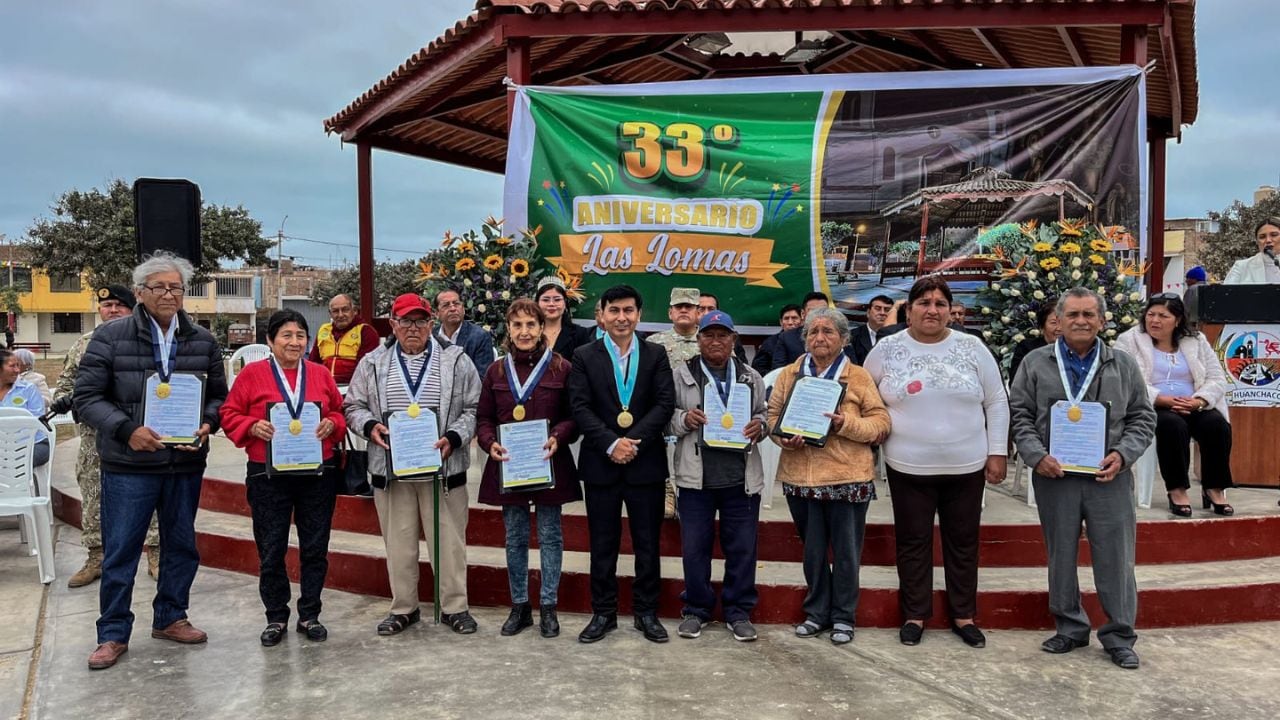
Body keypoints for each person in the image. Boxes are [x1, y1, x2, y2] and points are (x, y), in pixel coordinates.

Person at [75, 251, 228, 671]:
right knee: (121, 550)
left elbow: (219, 395)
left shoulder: (202, 340)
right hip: (129, 464)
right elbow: (86, 399)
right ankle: (112, 633)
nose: (168, 294)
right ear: (140, 292)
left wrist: (208, 423)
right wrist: (128, 431)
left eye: (176, 287)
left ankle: (171, 616)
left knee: (181, 546)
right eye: (159, 287)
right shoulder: (109, 337)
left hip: (183, 463)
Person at [1009, 288, 1155, 670]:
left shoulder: (1122, 364)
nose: (1081, 321)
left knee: (1116, 557)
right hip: (1055, 475)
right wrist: (1035, 456)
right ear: (1058, 320)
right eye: (1072, 314)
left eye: (1089, 314)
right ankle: (1069, 627)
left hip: (1110, 476)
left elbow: (1143, 417)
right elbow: (1019, 413)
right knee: (1060, 554)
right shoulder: (1036, 363)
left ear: (1102, 321)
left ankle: (1119, 635)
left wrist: (1123, 455)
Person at [863, 277, 1009, 649]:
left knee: (963, 542)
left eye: (940, 303)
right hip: (908, 466)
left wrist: (997, 452)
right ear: (908, 309)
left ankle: (964, 615)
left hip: (967, 465)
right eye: (924, 303)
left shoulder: (972, 347)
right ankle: (915, 614)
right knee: (913, 542)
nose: (932, 310)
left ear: (950, 310)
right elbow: (865, 399)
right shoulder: (886, 348)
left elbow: (996, 401)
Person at [344, 293, 481, 636]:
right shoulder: (372, 362)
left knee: (448, 542)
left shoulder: (456, 360)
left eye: (420, 321)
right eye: (405, 321)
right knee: (399, 542)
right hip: (392, 471)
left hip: (444, 469)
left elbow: (475, 408)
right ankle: (404, 608)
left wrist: (454, 436)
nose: (413, 328)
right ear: (393, 324)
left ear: (431, 324)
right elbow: (352, 405)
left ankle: (454, 607)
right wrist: (369, 426)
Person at [219, 309, 346, 646]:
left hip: (317, 471)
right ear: (270, 341)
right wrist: (251, 426)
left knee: (315, 547)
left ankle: (310, 614)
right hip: (268, 473)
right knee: (271, 547)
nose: (294, 342)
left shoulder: (319, 373)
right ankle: (276, 616)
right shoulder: (252, 375)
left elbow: (338, 411)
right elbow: (229, 413)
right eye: (286, 335)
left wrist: (333, 423)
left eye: (300, 335)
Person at [767, 307, 891, 645]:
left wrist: (844, 424)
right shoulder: (789, 374)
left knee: (847, 553)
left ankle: (843, 617)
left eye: (828, 332)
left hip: (846, 477)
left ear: (843, 339)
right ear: (804, 338)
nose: (819, 338)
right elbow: (773, 417)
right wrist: (783, 437)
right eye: (813, 332)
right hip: (800, 476)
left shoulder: (858, 377)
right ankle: (817, 613)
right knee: (813, 552)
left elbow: (881, 423)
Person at [568, 284, 676, 644]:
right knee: (603, 543)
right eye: (614, 310)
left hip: (645, 464)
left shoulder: (656, 354)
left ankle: (646, 613)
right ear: (601, 315)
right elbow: (580, 407)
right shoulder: (584, 355)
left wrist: (632, 443)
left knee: (648, 543)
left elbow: (663, 404)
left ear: (639, 315)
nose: (621, 317)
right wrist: (612, 443)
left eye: (628, 310)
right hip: (602, 463)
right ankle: (604, 613)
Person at [476, 299, 580, 639]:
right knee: (515, 538)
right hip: (509, 466)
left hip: (548, 463)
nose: (524, 332)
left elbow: (573, 417)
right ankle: (519, 606)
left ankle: (549, 607)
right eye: (517, 325)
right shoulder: (495, 371)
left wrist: (558, 437)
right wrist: (489, 441)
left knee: (551, 537)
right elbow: (484, 418)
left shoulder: (561, 368)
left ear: (541, 328)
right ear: (509, 329)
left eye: (530, 325)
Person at [668, 310, 768, 642]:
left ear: (733, 340)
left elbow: (763, 415)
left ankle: (738, 611)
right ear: (698, 340)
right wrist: (684, 418)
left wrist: (761, 426)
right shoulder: (681, 375)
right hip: (696, 477)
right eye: (708, 335)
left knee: (741, 549)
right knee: (694, 549)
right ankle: (696, 610)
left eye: (722, 335)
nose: (715, 341)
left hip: (740, 479)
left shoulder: (751, 377)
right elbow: (665, 416)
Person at [54, 284, 161, 588]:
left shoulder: (148, 340)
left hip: (141, 434)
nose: (112, 310)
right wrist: (65, 398)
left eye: (119, 305)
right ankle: (96, 556)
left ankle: (155, 553)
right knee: (93, 495)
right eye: (106, 305)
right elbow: (65, 386)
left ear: (132, 309)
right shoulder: (83, 345)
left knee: (152, 495)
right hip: (96, 438)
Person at [1114, 294, 1233, 516]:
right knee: (1172, 426)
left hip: (1194, 403)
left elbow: (1217, 377)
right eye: (1151, 315)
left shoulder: (1195, 340)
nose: (1155, 321)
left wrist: (1199, 400)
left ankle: (1214, 488)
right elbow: (1125, 379)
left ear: (1177, 320)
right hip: (1152, 405)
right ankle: (1177, 489)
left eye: (1163, 316)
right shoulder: (1129, 340)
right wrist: (1161, 399)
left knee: (1217, 426)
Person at [647, 287, 703, 519]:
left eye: (688, 307)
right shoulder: (654, 342)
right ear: (670, 313)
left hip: (699, 412)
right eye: (678, 307)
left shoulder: (711, 339)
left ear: (698, 312)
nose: (683, 311)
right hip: (664, 409)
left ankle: (690, 494)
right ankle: (667, 489)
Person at [308, 293, 379, 385]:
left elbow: (365, 369)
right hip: (325, 385)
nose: (340, 315)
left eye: (345, 310)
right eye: (335, 311)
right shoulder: (323, 330)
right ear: (330, 314)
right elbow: (313, 363)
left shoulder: (366, 331)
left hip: (353, 387)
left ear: (354, 311)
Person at [0, 348, 50, 466]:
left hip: (34, 444)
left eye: (18, 365)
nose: (18, 370)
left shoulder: (29, 389)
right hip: (3, 446)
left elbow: (36, 423)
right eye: (12, 366)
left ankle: (24, 484)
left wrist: (12, 446)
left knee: (12, 463)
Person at [433, 287, 496, 375]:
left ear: (463, 309)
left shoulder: (480, 337)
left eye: (456, 304)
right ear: (436, 314)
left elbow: (483, 378)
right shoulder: (431, 336)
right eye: (446, 305)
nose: (452, 308)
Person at [770, 292, 838, 368]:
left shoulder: (839, 336)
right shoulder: (786, 338)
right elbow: (778, 371)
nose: (819, 315)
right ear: (803, 314)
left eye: (823, 310)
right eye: (813, 311)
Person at [535, 276, 591, 360]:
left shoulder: (579, 334)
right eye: (545, 300)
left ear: (565, 303)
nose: (551, 304)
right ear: (537, 303)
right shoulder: (529, 331)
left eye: (557, 300)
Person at [1009, 302, 1062, 383]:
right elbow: (1017, 381)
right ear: (1042, 327)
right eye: (1054, 323)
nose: (1059, 328)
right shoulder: (1027, 348)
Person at [696, 292, 749, 364]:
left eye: (711, 309)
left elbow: (742, 366)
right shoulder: (683, 336)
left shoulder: (730, 336)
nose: (706, 313)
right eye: (701, 309)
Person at [1224, 217, 1280, 284]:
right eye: (1262, 237)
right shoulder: (1241, 267)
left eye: (1274, 235)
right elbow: (1226, 293)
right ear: (1257, 241)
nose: (1268, 240)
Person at [752, 304, 802, 375]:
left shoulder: (807, 341)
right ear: (781, 322)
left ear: (802, 321)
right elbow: (758, 369)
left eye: (794, 318)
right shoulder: (770, 343)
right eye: (786, 318)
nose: (790, 323)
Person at [848, 295, 894, 365]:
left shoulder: (897, 337)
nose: (882, 313)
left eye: (887, 310)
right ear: (868, 313)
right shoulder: (852, 337)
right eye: (878, 309)